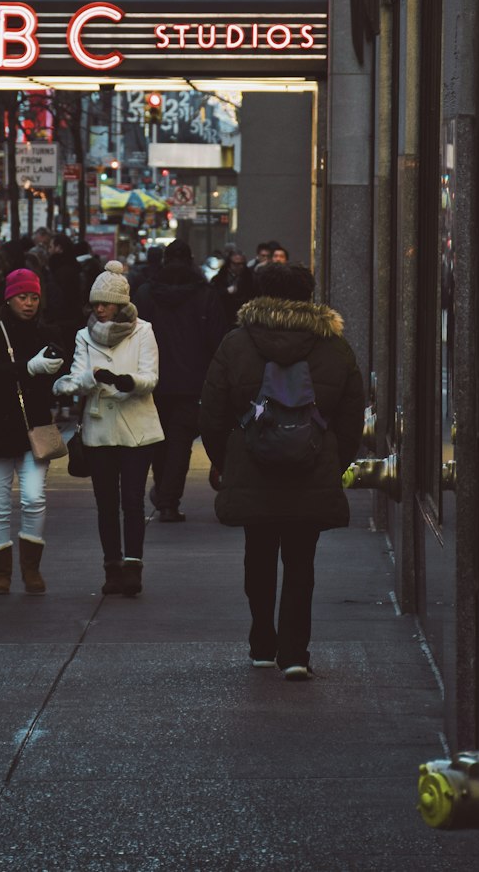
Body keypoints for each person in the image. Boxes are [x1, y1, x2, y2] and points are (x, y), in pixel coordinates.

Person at [199, 262, 365, 679]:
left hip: (253, 466)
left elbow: (213, 413)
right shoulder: (334, 346)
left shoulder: (236, 343)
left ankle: (261, 641)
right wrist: (331, 459)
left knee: (258, 555)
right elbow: (350, 418)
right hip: (310, 468)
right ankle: (294, 653)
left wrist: (226, 459)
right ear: (309, 295)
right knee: (301, 562)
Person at [53, 261, 161, 597]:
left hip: (136, 427)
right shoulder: (84, 335)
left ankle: (133, 566)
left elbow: (150, 376)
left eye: (105, 303)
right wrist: (92, 378)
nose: (99, 309)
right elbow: (75, 378)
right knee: (105, 502)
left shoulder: (143, 330)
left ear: (121, 304)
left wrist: (125, 381)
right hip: (100, 428)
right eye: (95, 303)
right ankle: (111, 567)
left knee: (132, 500)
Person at [0, 268, 65, 595]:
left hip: (34, 428)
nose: (29, 303)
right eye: (23, 296)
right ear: (9, 298)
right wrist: (29, 368)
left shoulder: (46, 333)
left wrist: (56, 372)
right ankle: (1, 574)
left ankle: (31, 569)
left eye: (34, 297)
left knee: (34, 498)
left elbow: (55, 375)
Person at [136, 240, 227, 522]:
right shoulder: (205, 295)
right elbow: (217, 339)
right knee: (180, 442)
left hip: (152, 379)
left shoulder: (146, 293)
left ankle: (163, 490)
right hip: (192, 380)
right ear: (190, 261)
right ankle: (168, 500)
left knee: (157, 440)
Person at [210, 244, 256, 330]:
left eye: (242, 264)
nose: (240, 267)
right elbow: (213, 296)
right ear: (229, 264)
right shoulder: (219, 279)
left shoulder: (250, 278)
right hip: (224, 318)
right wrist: (226, 291)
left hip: (244, 320)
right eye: (236, 264)